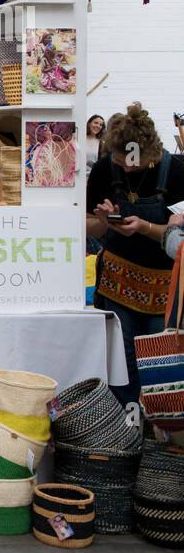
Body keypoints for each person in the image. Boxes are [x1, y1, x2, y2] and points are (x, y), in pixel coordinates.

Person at [87, 103, 184, 407]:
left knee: (161, 364)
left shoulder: (177, 171)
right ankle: (126, 428)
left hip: (164, 289)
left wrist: (143, 227)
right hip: (117, 284)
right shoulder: (104, 169)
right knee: (123, 363)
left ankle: (160, 430)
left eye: (135, 162)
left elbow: (178, 238)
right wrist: (103, 222)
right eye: (121, 160)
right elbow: (91, 228)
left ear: (152, 152)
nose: (127, 168)